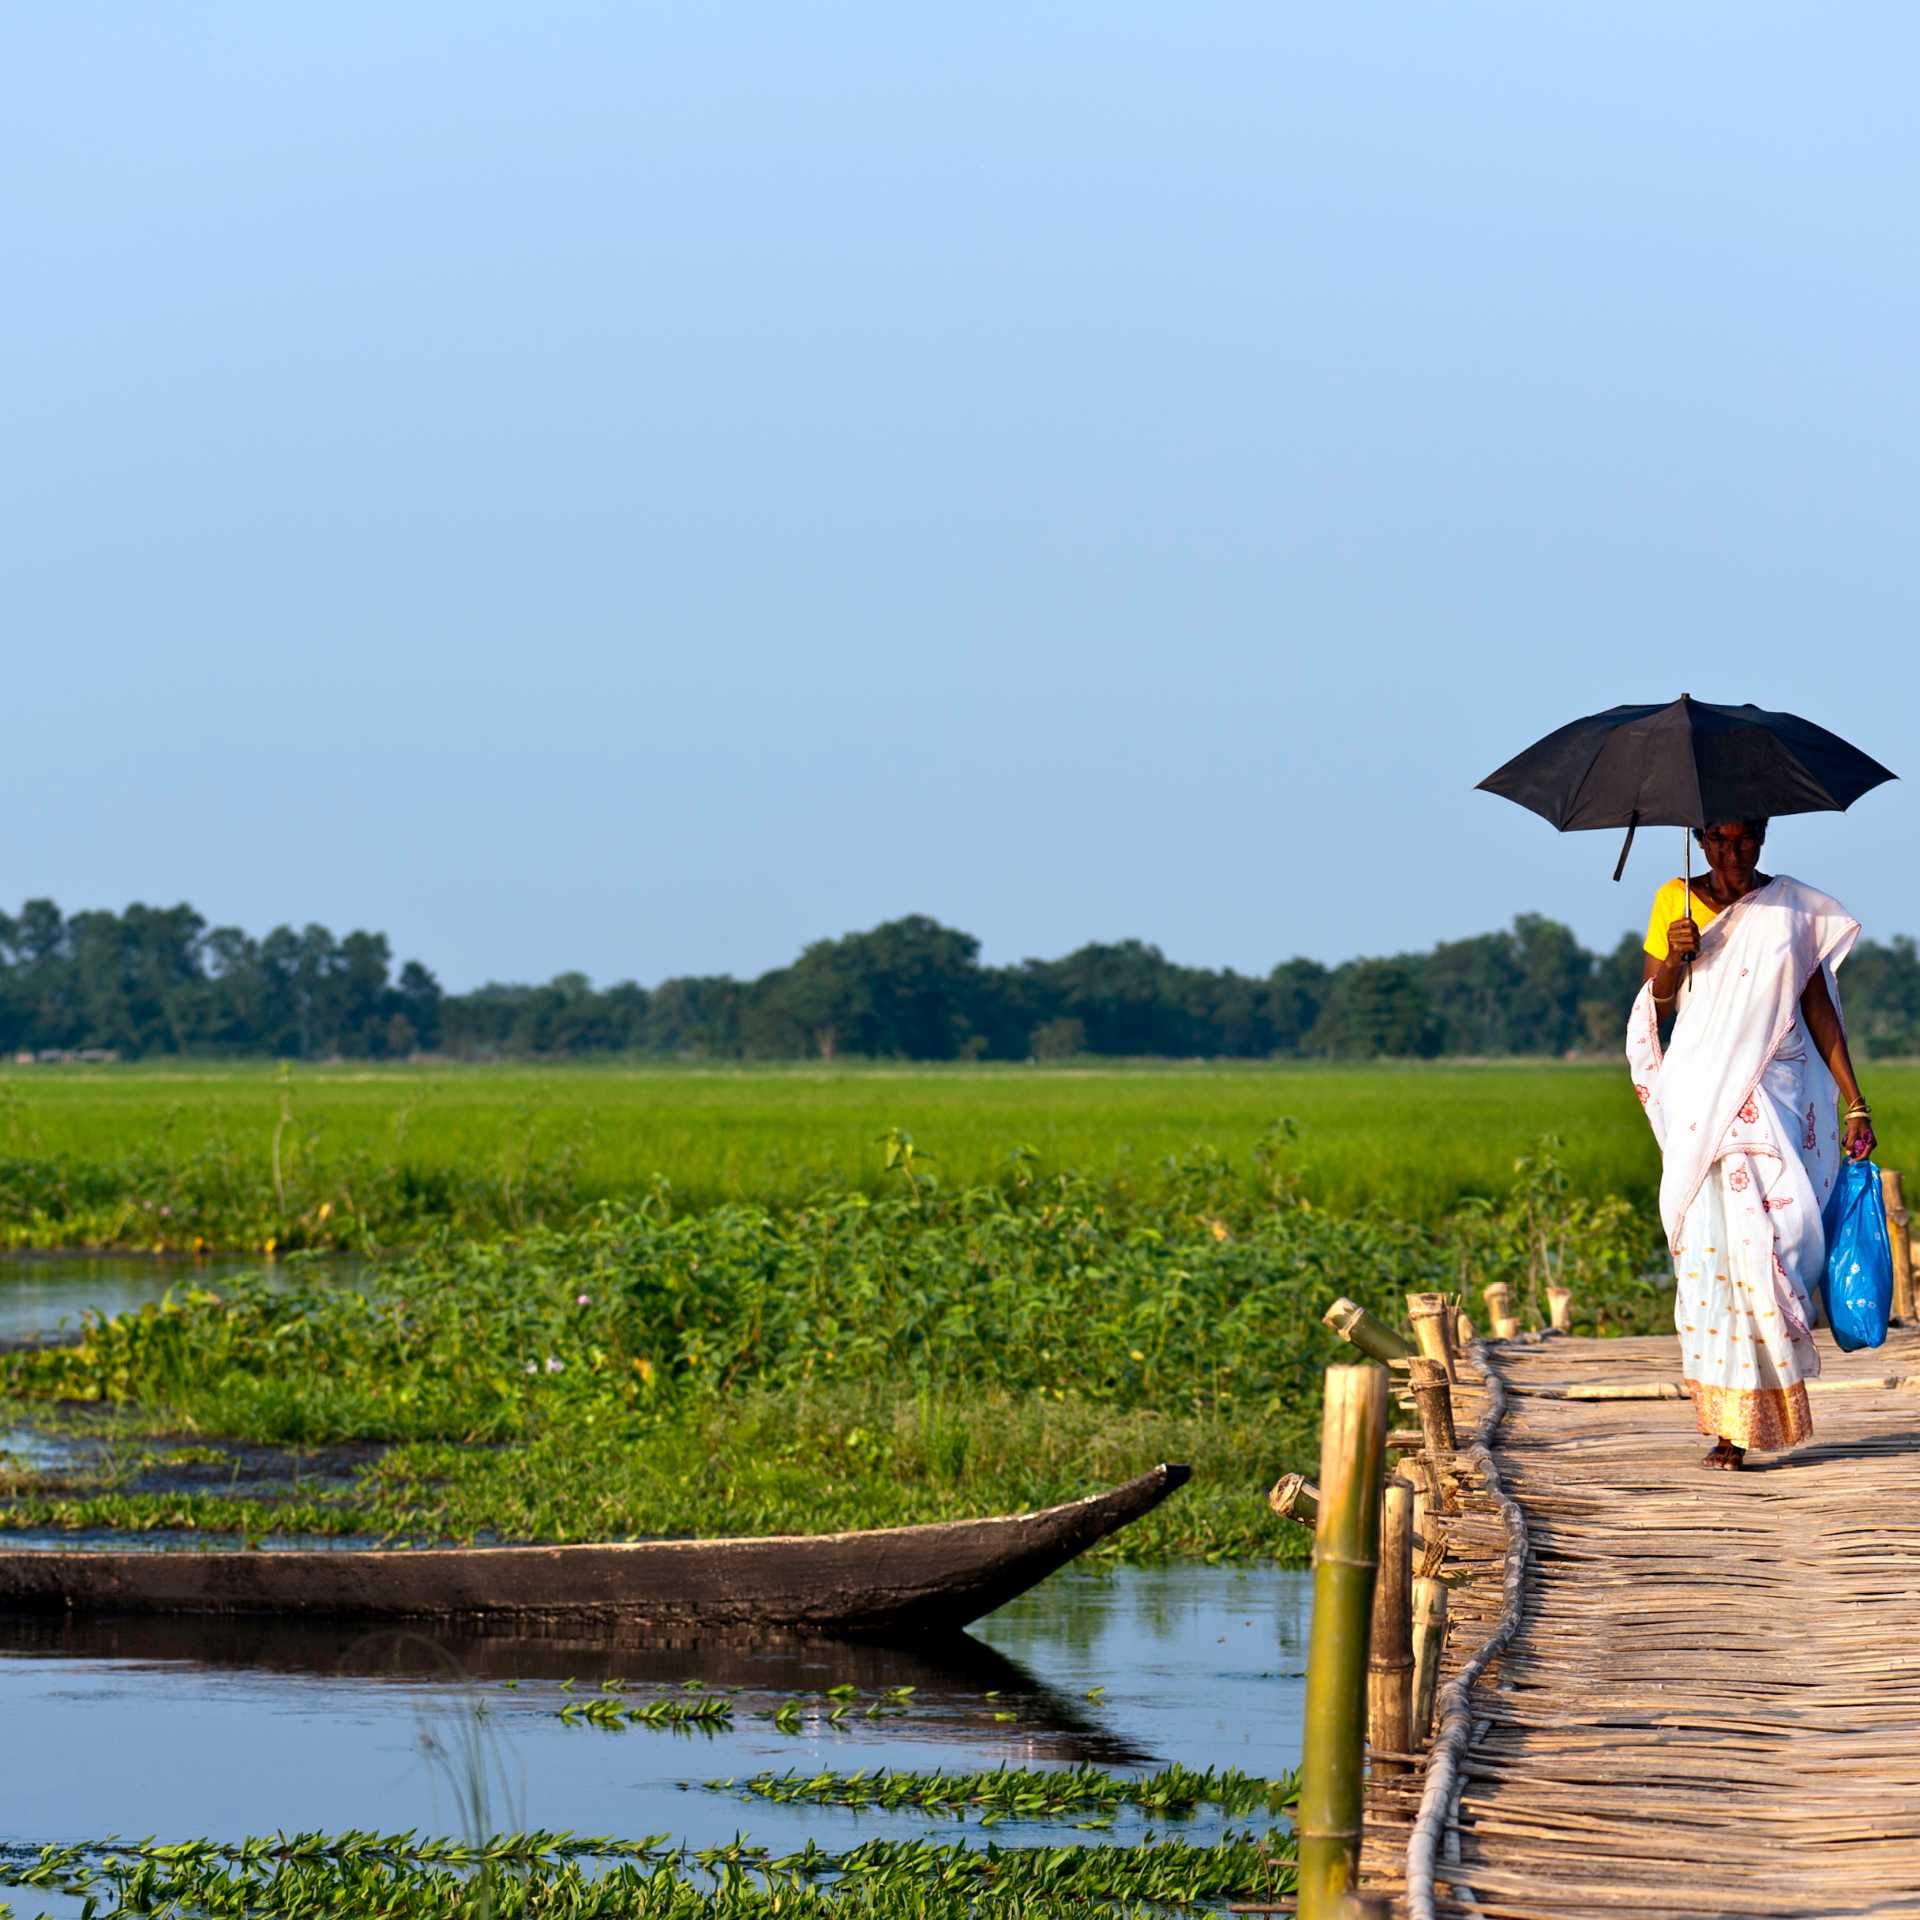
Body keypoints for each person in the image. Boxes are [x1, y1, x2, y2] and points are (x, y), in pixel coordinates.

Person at [1628, 819, 1874, 1470]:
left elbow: (1818, 1010)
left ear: (1762, 839)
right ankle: (1729, 1432)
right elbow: (1657, 1005)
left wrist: (1855, 1101)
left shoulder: (1790, 909)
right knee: (1713, 1266)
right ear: (1701, 840)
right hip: (1703, 1111)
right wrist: (1677, 958)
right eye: (1720, 841)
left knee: (1778, 1249)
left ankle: (1771, 1407)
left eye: (1746, 841)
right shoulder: (1672, 903)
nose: (1733, 854)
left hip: (1773, 1100)